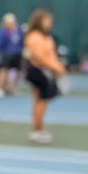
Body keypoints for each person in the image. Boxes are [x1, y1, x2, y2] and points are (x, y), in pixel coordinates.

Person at [23, 10, 65, 144]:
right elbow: (40, 57)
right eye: (47, 20)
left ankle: (38, 128)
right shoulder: (34, 37)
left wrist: (58, 67)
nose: (49, 23)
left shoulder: (47, 37)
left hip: (46, 71)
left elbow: (51, 55)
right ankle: (36, 130)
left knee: (42, 101)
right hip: (37, 71)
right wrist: (55, 68)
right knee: (41, 100)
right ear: (39, 21)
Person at [0, 13, 23, 97]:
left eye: (12, 22)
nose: (10, 24)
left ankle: (11, 88)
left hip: (17, 55)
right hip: (5, 55)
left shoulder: (18, 31)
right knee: (3, 71)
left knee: (16, 72)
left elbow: (22, 42)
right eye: (8, 22)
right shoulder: (2, 32)